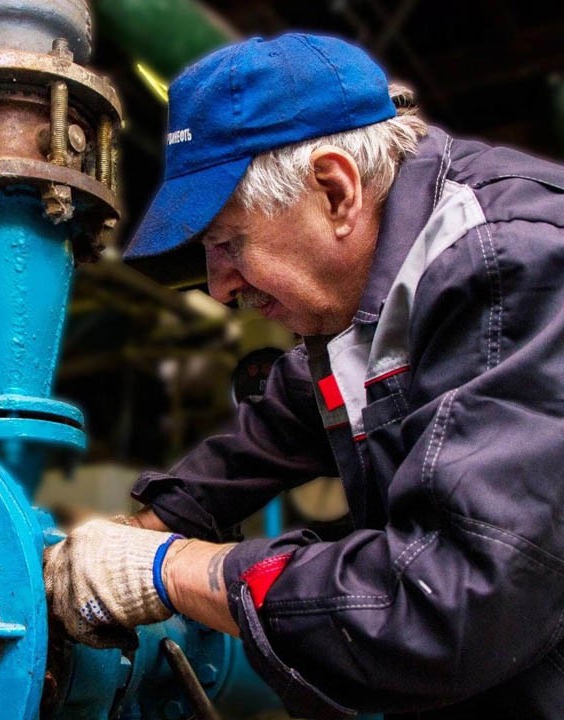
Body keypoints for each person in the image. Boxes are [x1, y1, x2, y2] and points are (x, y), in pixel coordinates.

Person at [43, 32, 564, 719]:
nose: (219, 287)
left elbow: (450, 600)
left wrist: (169, 570)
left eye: (229, 244)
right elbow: (290, 410)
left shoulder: (513, 264)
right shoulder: (356, 300)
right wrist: (149, 521)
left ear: (334, 189)